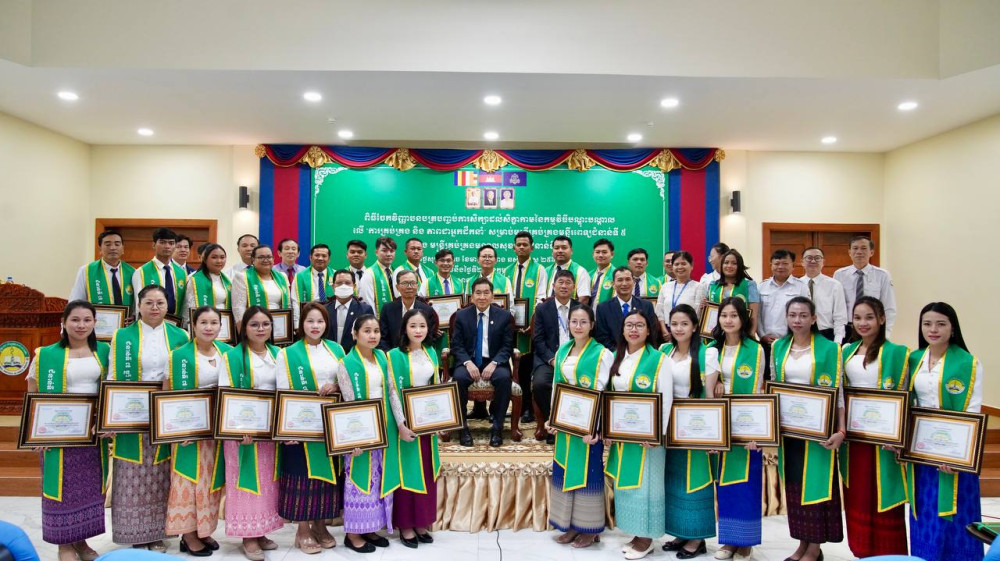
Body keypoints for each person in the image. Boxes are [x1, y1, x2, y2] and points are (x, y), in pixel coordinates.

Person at [107, 285, 190, 551]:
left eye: (160, 303)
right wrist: (109, 415)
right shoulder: (122, 336)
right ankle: (135, 534)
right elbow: (112, 376)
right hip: (132, 414)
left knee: (161, 473)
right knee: (131, 473)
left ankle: (156, 533)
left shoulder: (180, 335)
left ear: (168, 306)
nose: (155, 308)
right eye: (149, 303)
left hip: (166, 415)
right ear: (139, 305)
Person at [26, 301, 110, 561]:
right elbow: (33, 392)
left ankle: (81, 541)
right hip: (57, 433)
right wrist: (34, 432)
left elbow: (113, 390)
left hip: (91, 435)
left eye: (87, 320)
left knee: (87, 490)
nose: (81, 325)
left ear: (94, 323)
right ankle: (64, 545)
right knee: (60, 490)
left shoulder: (105, 351)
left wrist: (106, 422)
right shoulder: (46, 354)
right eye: (75, 319)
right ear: (63, 322)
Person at [907, 302, 984, 561]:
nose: (933, 329)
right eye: (927, 323)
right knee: (925, 512)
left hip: (955, 456)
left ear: (953, 328)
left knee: (956, 516)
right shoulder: (914, 359)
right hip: (922, 453)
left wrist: (957, 457)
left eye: (941, 324)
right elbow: (907, 404)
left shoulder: (969, 363)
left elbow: (972, 413)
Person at [772, 296, 845, 561]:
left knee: (815, 484)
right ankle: (802, 542)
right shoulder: (779, 346)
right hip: (789, 430)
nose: (797, 320)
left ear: (814, 318)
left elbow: (839, 392)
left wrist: (841, 430)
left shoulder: (830, 349)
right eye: (792, 315)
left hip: (818, 431)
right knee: (794, 485)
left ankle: (814, 547)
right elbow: (773, 386)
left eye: (803, 315)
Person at [337, 314, 415, 553]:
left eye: (376, 331)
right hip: (361, 429)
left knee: (378, 479)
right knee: (359, 479)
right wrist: (354, 439)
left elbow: (392, 391)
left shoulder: (382, 356)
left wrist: (401, 424)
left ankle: (370, 528)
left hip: (385, 427)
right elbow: (349, 403)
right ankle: (353, 534)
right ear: (355, 334)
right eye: (367, 331)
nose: (372, 336)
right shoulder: (346, 363)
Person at [839, 296, 909, 558]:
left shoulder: (897, 353)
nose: (863, 323)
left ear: (881, 318)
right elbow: (838, 394)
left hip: (884, 438)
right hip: (855, 437)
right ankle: (861, 551)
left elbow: (906, 395)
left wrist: (899, 434)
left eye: (869, 317)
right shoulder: (846, 351)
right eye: (857, 318)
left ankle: (889, 554)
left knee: (883, 493)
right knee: (858, 493)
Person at [275, 303, 343, 554]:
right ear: (301, 323)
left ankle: (320, 525)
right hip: (300, 425)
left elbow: (344, 381)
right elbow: (282, 391)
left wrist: (336, 386)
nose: (315, 326)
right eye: (310, 321)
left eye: (320, 321)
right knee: (302, 475)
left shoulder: (336, 350)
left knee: (325, 478)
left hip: (328, 427)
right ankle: (302, 530)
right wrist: (286, 429)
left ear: (327, 324)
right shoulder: (287, 354)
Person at [604, 310, 672, 560]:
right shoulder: (617, 357)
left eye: (639, 325)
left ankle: (647, 537)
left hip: (647, 439)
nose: (634, 330)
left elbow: (666, 399)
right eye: (629, 325)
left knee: (647, 487)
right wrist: (607, 429)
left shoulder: (659, 359)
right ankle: (636, 532)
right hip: (624, 436)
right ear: (622, 330)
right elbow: (609, 396)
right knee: (628, 486)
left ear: (648, 330)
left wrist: (657, 435)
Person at [544, 304, 612, 548]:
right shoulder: (563, 350)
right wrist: (552, 417)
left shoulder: (602, 354)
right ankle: (571, 525)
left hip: (588, 426)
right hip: (566, 422)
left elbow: (604, 392)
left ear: (592, 325)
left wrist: (597, 427)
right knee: (565, 469)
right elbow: (557, 386)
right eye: (574, 321)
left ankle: (589, 529)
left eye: (584, 322)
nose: (578, 326)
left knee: (588, 472)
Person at [164, 306, 230, 557]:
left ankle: (204, 530)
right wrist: (175, 430)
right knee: (188, 480)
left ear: (221, 326)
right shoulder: (178, 356)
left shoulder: (228, 352)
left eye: (214, 323)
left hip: (217, 430)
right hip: (188, 431)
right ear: (193, 325)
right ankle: (188, 534)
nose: (209, 327)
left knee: (210, 480)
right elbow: (167, 394)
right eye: (203, 322)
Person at [219, 307, 283, 560]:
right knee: (245, 482)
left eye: (265, 324)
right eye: (254, 324)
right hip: (242, 432)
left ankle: (262, 529)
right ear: (243, 328)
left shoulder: (279, 354)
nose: (260, 329)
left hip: (270, 432)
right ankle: (248, 536)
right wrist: (238, 429)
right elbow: (225, 393)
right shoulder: (232, 357)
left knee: (268, 482)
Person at [659, 305, 719, 559]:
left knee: (696, 478)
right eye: (674, 323)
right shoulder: (664, 351)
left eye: (684, 323)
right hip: (669, 425)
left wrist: (713, 435)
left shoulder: (707, 353)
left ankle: (697, 537)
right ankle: (681, 532)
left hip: (696, 427)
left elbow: (711, 397)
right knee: (674, 479)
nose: (679, 328)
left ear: (695, 326)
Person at [707, 297, 764, 560]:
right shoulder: (711, 348)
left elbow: (760, 388)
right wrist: (716, 381)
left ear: (743, 319)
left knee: (746, 482)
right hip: (720, 422)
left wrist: (759, 431)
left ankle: (746, 541)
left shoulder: (756, 349)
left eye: (734, 315)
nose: (728, 320)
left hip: (747, 422)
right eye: (724, 315)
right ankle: (729, 541)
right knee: (725, 483)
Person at [387, 309, 443, 548]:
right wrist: (401, 424)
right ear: (404, 329)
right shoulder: (394, 355)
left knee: (426, 470)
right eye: (413, 326)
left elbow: (437, 387)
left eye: (422, 326)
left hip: (426, 420)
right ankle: (406, 525)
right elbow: (392, 392)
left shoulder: (431, 352)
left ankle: (421, 521)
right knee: (406, 470)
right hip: (405, 422)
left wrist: (441, 420)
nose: (418, 330)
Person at [450, 277, 515, 448]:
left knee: (504, 378)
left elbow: (507, 345)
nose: (482, 297)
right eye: (478, 293)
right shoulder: (461, 316)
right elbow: (456, 345)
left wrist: (494, 363)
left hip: (494, 361)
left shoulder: (504, 316)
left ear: (493, 296)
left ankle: (497, 428)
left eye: (486, 293)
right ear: (471, 297)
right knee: (459, 379)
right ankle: (463, 428)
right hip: (468, 361)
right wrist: (467, 362)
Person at [504, 231, 548, 423]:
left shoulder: (540, 270)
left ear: (532, 247)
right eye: (518, 244)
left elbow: (541, 298)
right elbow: (505, 300)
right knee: (510, 367)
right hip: (510, 327)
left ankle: (528, 408)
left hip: (531, 329)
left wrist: (533, 322)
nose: (521, 247)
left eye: (525, 244)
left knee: (526, 368)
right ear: (513, 248)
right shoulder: (507, 271)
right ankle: (514, 407)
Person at [531, 269, 579, 443]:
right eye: (561, 282)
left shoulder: (581, 309)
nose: (564, 286)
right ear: (553, 286)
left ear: (573, 287)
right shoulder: (542, 309)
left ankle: (574, 424)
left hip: (575, 359)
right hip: (548, 359)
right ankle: (552, 422)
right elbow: (538, 339)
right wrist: (552, 359)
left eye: (568, 283)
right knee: (540, 384)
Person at [758, 250, 809, 378]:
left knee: (789, 376)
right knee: (767, 377)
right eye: (777, 263)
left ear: (793, 265)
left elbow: (806, 315)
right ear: (771, 265)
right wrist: (762, 335)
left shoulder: (801, 287)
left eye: (785, 263)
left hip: (791, 343)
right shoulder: (762, 287)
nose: (780, 267)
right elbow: (757, 315)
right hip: (766, 343)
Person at [834, 236, 897, 338]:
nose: (859, 252)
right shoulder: (839, 274)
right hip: (847, 329)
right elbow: (836, 306)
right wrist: (838, 334)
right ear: (849, 252)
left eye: (863, 248)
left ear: (871, 252)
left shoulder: (882, 275)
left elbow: (889, 307)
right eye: (855, 248)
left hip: (872, 328)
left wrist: (886, 334)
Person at [69, 230, 136, 312]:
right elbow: (76, 302)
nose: (113, 248)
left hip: (126, 320)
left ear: (123, 249)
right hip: (96, 319)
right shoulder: (86, 271)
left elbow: (138, 303)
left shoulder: (133, 272)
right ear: (100, 249)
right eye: (108, 244)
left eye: (117, 244)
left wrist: (133, 315)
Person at [595, 267, 660, 350]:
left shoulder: (646, 306)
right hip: (614, 354)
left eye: (628, 279)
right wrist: (620, 353)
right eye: (620, 280)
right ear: (613, 284)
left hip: (642, 353)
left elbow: (652, 333)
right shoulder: (603, 308)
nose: (624, 283)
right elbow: (602, 337)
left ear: (634, 282)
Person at [131, 228, 188, 318]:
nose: (167, 246)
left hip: (176, 323)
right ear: (154, 245)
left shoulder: (181, 273)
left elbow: (184, 304)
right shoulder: (141, 272)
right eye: (162, 242)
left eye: (171, 243)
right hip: (151, 321)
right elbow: (138, 305)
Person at [231, 245, 291, 326]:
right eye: (261, 257)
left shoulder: (282, 277)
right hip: (255, 326)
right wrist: (243, 330)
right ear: (253, 260)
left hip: (280, 324)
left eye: (269, 257)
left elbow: (288, 304)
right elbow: (238, 309)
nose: (266, 260)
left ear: (273, 259)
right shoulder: (242, 277)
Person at [378, 270, 438, 351]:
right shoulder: (388, 309)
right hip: (393, 355)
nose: (409, 287)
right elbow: (382, 338)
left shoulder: (427, 310)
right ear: (397, 287)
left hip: (418, 354)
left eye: (412, 283)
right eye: (405, 283)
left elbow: (430, 339)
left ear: (417, 286)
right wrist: (391, 355)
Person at [705, 249, 759, 334]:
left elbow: (753, 316)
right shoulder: (713, 286)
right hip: (716, 334)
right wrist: (703, 305)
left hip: (741, 335)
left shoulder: (749, 285)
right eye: (726, 262)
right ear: (721, 265)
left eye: (734, 263)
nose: (729, 266)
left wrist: (751, 335)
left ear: (739, 266)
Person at [799, 247, 847, 343]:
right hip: (800, 334)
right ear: (802, 262)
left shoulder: (835, 285)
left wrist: (837, 341)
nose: (813, 261)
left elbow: (840, 317)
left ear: (823, 262)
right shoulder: (796, 285)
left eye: (817, 258)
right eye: (809, 258)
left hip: (827, 335)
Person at [656, 251, 705, 336]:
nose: (680, 267)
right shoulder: (665, 286)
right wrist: (664, 330)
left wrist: (685, 331)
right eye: (676, 264)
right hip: (666, 331)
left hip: (688, 331)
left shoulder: (698, 287)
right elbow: (659, 311)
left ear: (691, 266)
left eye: (683, 264)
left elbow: (697, 313)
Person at [324, 269, 374, 351]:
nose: (343, 286)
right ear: (333, 287)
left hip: (355, 355)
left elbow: (369, 337)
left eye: (347, 283)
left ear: (354, 287)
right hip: (329, 354)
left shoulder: (364, 310)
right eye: (339, 283)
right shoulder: (325, 309)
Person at [182, 243, 231, 327]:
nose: (219, 261)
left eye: (222, 257)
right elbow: (188, 309)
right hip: (203, 327)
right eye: (214, 257)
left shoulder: (227, 279)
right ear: (205, 260)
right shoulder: (195, 280)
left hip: (225, 326)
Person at [546, 236, 591, 306]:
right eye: (556, 248)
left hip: (571, 311)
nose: (560, 251)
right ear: (552, 251)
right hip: (548, 311)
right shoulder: (546, 271)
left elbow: (584, 299)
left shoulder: (580, 271)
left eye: (564, 248)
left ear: (571, 251)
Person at [358, 236, 397, 315]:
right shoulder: (369, 274)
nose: (389, 254)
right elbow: (367, 303)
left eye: (392, 251)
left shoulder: (395, 272)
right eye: (384, 250)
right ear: (376, 252)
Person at [466, 244, 513, 309]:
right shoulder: (470, 281)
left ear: (496, 260)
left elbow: (510, 306)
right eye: (484, 256)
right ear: (478, 260)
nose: (487, 259)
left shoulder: (505, 281)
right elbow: (467, 305)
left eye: (490, 256)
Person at [589, 239, 616, 309]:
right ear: (593, 254)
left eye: (604, 252)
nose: (600, 255)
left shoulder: (616, 275)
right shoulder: (589, 275)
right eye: (597, 252)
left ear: (612, 254)